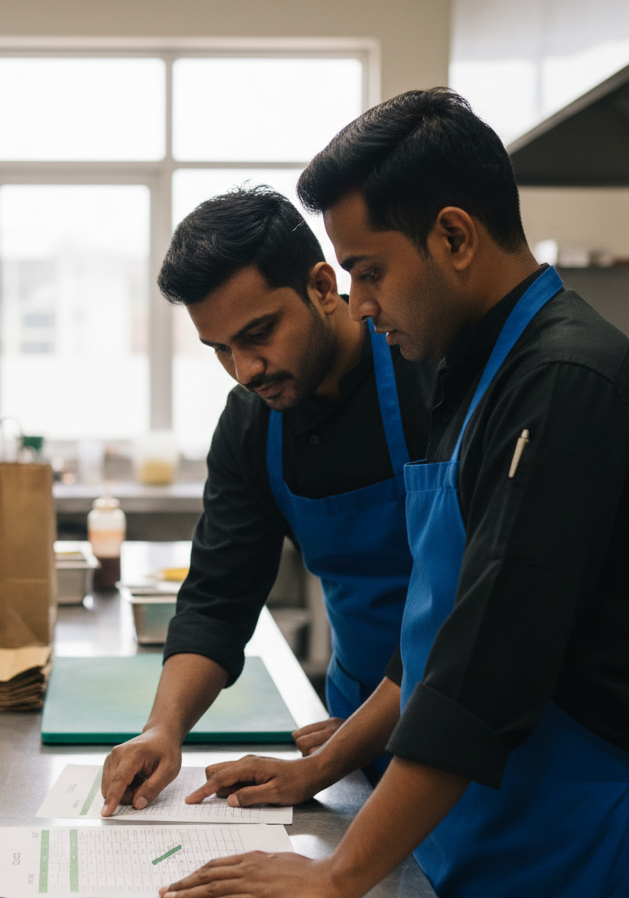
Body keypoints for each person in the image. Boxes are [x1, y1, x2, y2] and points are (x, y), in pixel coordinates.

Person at [157, 90, 629, 898]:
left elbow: (483, 667)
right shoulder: (482, 371)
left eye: (368, 271)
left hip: (557, 827)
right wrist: (321, 769)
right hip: (463, 800)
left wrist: (336, 878)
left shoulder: (563, 384)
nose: (361, 302)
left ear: (453, 236)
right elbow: (436, 642)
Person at [100, 187, 436, 816]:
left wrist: (346, 750)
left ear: (322, 287)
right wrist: (163, 728)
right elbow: (219, 596)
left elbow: (458, 610)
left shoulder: (429, 377)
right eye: (221, 349)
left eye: (259, 334)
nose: (245, 369)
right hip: (354, 722)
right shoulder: (251, 425)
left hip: (453, 715)